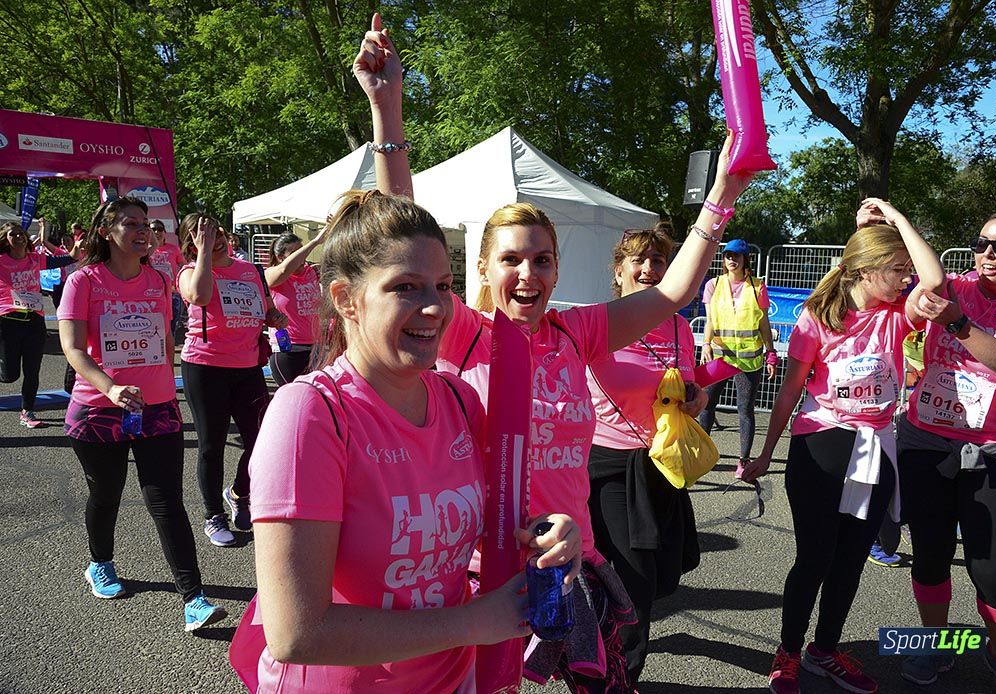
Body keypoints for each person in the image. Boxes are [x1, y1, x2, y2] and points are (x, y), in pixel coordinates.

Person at [354, 14, 753, 690]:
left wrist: (721, 195)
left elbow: (675, 290)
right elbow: (401, 229)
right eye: (511, 260)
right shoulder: (463, 333)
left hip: (573, 562)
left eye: (542, 260)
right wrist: (386, 109)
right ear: (482, 269)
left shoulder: (576, 333)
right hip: (478, 569)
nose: (529, 275)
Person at [241, 189, 582, 693]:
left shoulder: (460, 400)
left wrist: (550, 533)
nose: (434, 308)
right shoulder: (310, 414)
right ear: (346, 300)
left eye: (442, 286)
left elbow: (494, 525)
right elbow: (296, 633)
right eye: (406, 287)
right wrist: (472, 624)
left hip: (453, 679)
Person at [743, 199, 944, 694]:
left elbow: (935, 282)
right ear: (865, 269)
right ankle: (788, 652)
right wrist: (766, 450)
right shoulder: (818, 317)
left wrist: (897, 219)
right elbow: (789, 390)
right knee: (815, 557)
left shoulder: (901, 314)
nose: (904, 279)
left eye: (904, 269)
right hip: (823, 446)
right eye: (895, 270)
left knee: (852, 559)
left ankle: (824, 651)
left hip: (878, 447)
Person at [57, 196, 226, 631]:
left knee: (168, 503)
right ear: (105, 232)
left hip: (157, 410)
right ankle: (100, 563)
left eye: (146, 223)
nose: (142, 230)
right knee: (106, 496)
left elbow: (189, 313)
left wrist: (203, 249)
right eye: (130, 223)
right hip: (98, 411)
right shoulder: (83, 281)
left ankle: (195, 600)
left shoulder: (160, 278)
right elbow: (73, 348)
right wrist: (110, 388)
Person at [895, 211, 996, 694]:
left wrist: (957, 323)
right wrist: (892, 217)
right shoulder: (954, 286)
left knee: (993, 571)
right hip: (926, 440)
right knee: (930, 556)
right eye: (981, 243)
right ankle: (937, 644)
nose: (987, 254)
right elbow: (917, 286)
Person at [585, 224, 709, 684]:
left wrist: (696, 399)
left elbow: (692, 390)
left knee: (659, 573)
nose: (649, 268)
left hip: (661, 461)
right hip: (605, 463)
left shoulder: (679, 326)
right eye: (638, 260)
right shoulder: (598, 322)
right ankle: (623, 676)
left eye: (658, 260)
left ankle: (607, 649)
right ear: (618, 271)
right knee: (632, 578)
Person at [177, 214, 287, 546]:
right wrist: (204, 253)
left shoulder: (251, 270)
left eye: (218, 232)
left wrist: (274, 316)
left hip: (248, 366)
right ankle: (213, 514)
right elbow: (198, 296)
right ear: (191, 242)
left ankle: (239, 493)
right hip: (205, 367)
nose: (216, 238)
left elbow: (265, 307)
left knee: (260, 439)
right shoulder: (188, 272)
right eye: (204, 234)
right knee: (211, 445)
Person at [697, 238, 776, 477]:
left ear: (745, 260)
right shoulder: (713, 284)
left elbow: (763, 322)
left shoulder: (758, 286)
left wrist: (771, 353)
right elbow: (710, 319)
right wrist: (705, 343)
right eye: (728, 256)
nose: (731, 260)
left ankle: (743, 460)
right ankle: (703, 456)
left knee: (745, 410)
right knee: (706, 405)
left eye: (736, 256)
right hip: (720, 357)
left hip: (749, 360)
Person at [0, 221, 77, 428]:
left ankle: (27, 411)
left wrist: (76, 250)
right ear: (5, 241)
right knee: (9, 375)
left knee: (32, 370)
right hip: (8, 321)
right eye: (13, 234)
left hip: (35, 321)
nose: (18, 237)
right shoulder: (1, 261)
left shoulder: (35, 259)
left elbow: (66, 260)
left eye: (21, 233)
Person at [264, 228, 325, 385]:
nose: (302, 256)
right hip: (288, 350)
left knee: (319, 401)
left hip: (315, 349)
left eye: (302, 250)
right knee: (295, 402)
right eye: (295, 253)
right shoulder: (271, 274)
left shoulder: (313, 271)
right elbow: (284, 269)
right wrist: (315, 242)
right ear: (279, 257)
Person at [148, 219, 186, 336]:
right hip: (151, 295)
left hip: (172, 294)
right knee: (154, 330)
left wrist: (180, 286)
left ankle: (170, 353)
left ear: (165, 232)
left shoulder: (174, 249)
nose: (156, 232)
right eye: (153, 229)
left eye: (160, 229)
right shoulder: (145, 250)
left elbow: (185, 266)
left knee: (171, 330)